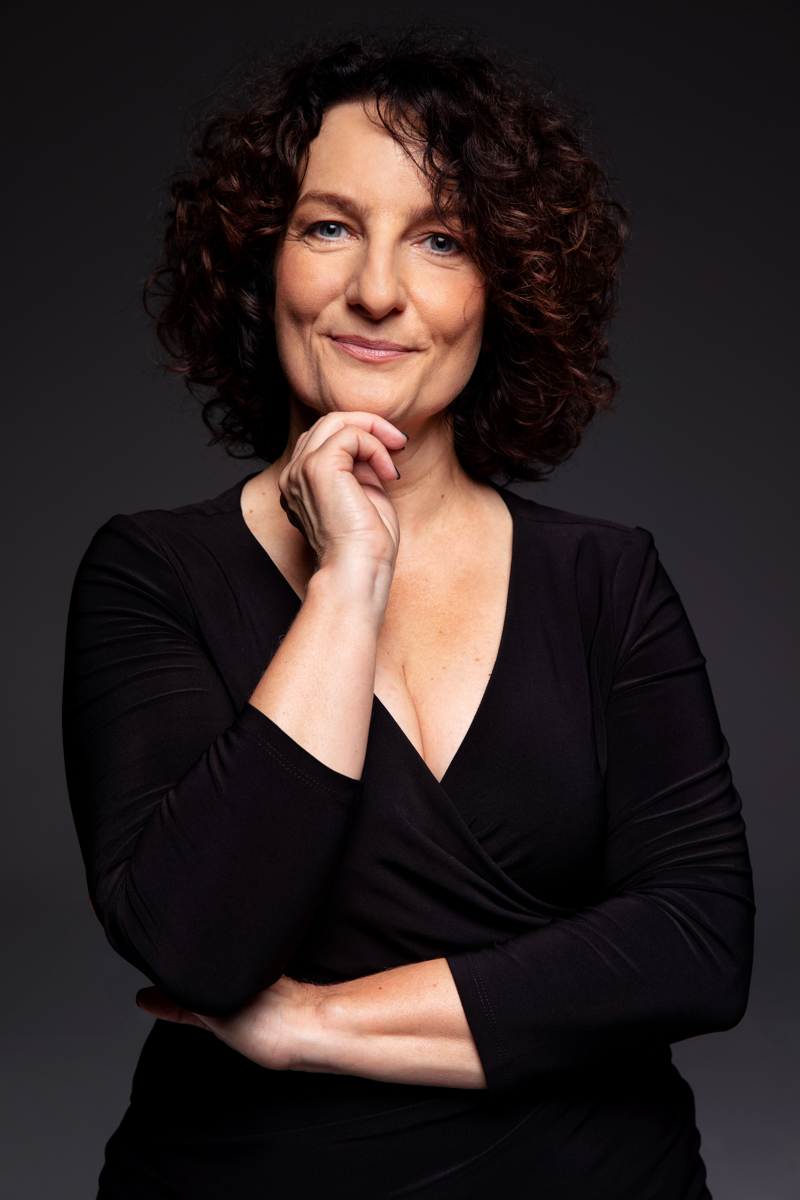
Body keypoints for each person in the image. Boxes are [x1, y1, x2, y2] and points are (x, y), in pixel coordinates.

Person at [62, 31, 754, 1199]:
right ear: (260, 264)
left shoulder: (607, 580)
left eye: (439, 239)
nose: (376, 289)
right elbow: (198, 942)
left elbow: (697, 946)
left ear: (502, 288)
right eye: (329, 226)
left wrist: (309, 1026)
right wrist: (348, 578)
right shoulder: (152, 574)